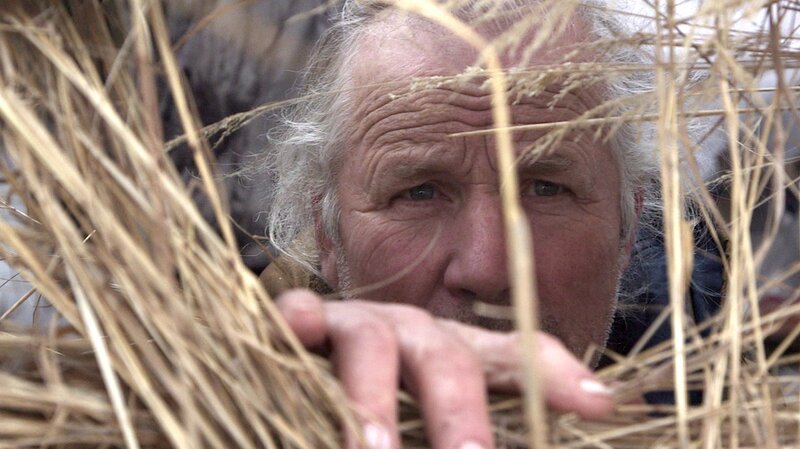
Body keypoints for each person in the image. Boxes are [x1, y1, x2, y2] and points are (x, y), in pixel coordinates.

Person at [261, 1, 685, 448]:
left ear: (627, 228)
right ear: (328, 237)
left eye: (545, 188)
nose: (487, 270)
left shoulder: (720, 388)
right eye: (419, 192)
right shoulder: (222, 399)